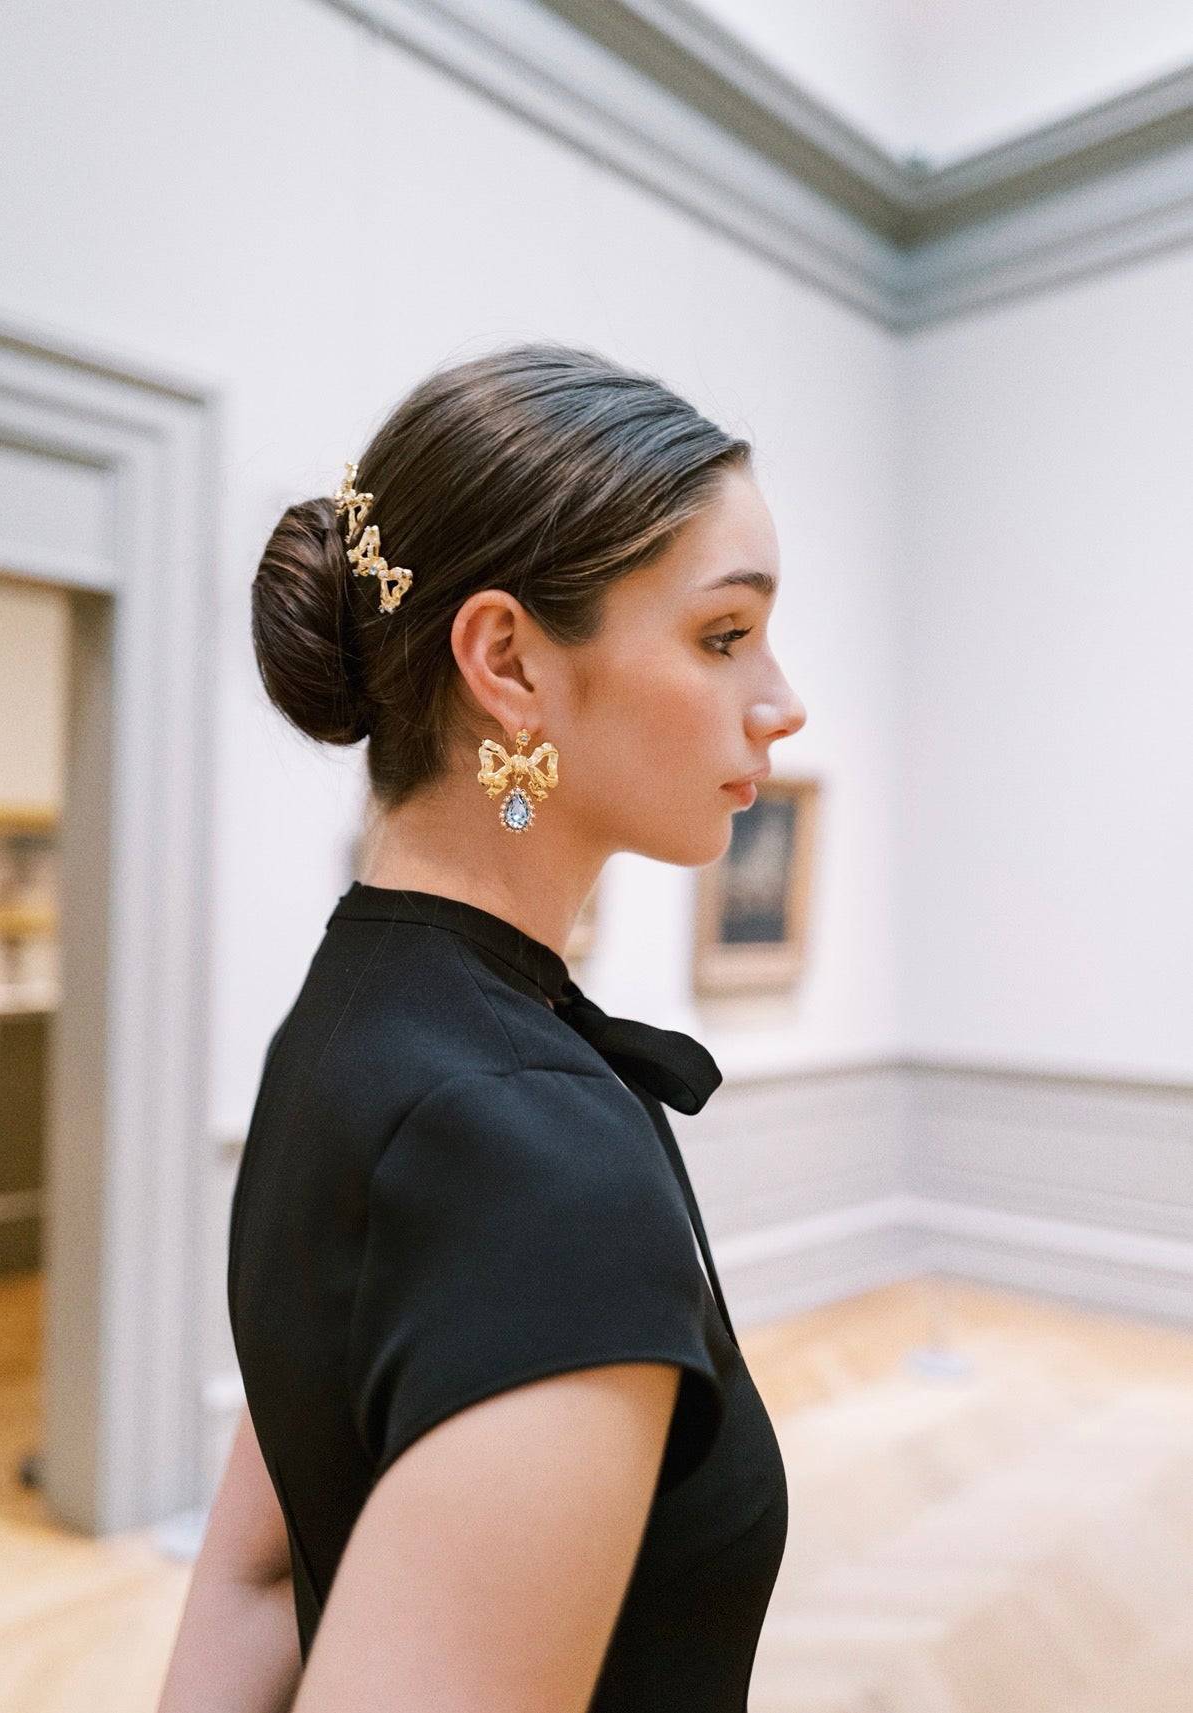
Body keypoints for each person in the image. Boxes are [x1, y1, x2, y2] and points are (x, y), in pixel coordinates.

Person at [157, 342, 807, 1712]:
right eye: (721, 634)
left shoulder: (347, 1020)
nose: (778, 700)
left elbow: (256, 1580)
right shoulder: (531, 1159)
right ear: (506, 659)